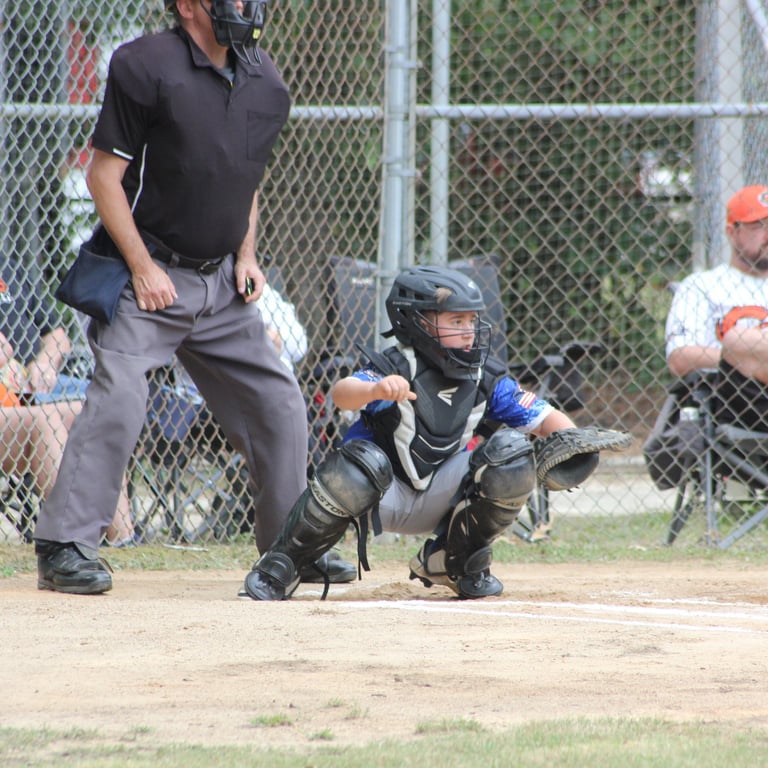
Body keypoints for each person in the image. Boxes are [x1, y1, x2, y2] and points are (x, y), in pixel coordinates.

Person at [33, 0, 312, 595]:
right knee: (121, 396)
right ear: (188, 6)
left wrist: (247, 256)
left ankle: (291, 549)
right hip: (149, 274)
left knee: (279, 401)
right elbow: (102, 177)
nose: (245, 5)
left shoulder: (264, 78)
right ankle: (65, 545)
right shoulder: (145, 64)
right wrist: (141, 267)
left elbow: (244, 180)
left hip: (221, 284)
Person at [241, 265, 581, 602]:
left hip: (441, 496)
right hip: (378, 496)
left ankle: (452, 561)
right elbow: (342, 394)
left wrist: (575, 444)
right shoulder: (396, 366)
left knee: (511, 454)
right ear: (418, 321)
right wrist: (376, 390)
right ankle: (286, 562)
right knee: (360, 463)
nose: (469, 331)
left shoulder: (485, 376)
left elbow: (543, 417)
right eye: (456, 321)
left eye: (472, 321)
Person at [1, 260, 134, 546]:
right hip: (11, 406)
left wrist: (45, 363)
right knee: (43, 420)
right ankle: (71, 541)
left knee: (91, 412)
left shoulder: (9, 266)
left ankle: (122, 539)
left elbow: (57, 335)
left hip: (28, 394)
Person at [665, 184, 768, 428]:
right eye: (758, 226)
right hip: (742, 401)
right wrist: (742, 358)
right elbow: (680, 357)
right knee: (738, 340)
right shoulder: (702, 286)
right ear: (732, 232)